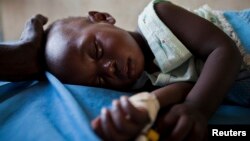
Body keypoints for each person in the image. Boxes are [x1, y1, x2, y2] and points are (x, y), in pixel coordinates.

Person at [1, 0, 249, 141]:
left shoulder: (159, 19)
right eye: (99, 79)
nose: (108, 69)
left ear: (102, 17)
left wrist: (197, 109)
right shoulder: (139, 82)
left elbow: (223, 52)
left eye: (96, 50)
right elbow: (185, 87)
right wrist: (140, 111)